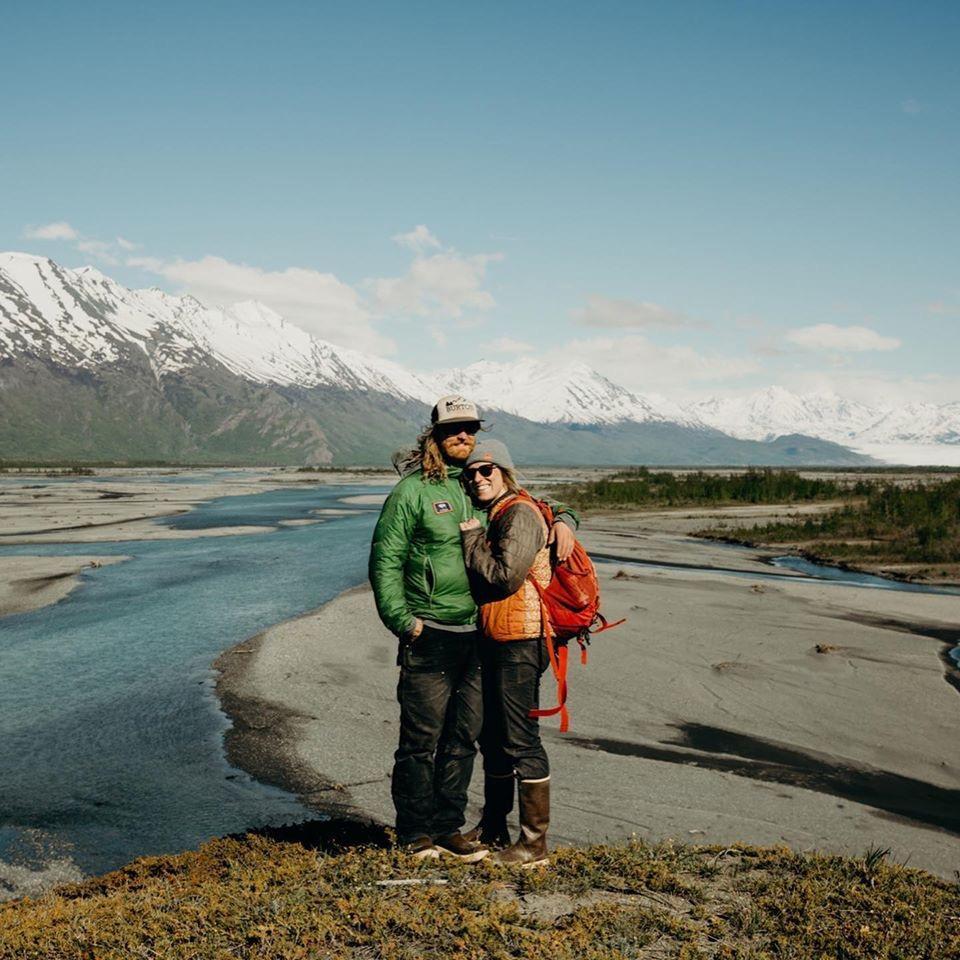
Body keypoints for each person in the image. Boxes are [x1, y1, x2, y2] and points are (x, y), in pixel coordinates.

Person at [369, 396, 575, 861]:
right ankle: (414, 834)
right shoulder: (412, 492)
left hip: (480, 634)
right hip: (432, 632)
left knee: (464, 739)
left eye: (470, 428)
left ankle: (448, 828)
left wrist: (565, 518)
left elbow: (533, 503)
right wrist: (404, 621)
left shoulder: (479, 483)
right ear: (435, 434)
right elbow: (385, 561)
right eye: (452, 429)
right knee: (420, 740)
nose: (462, 436)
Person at [458, 438, 556, 867]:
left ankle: (534, 845)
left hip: (521, 641)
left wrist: (472, 538)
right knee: (494, 738)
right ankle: (495, 826)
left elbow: (501, 577)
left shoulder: (517, 512)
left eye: (487, 470)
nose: (477, 478)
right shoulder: (501, 510)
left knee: (520, 740)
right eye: (471, 473)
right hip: (500, 637)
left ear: (505, 472)